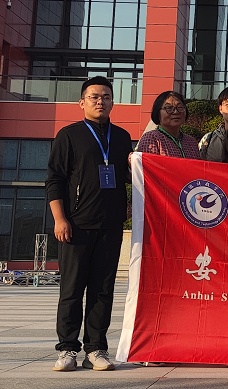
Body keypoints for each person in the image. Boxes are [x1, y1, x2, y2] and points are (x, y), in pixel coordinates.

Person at [47, 76, 132, 371]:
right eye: (94, 96)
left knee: (102, 290)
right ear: (82, 102)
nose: (100, 101)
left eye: (106, 96)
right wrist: (60, 219)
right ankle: (67, 349)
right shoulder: (68, 135)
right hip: (76, 225)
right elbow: (55, 179)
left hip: (110, 225)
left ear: (113, 102)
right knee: (71, 289)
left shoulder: (121, 137)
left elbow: (129, 176)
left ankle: (96, 349)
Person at [136, 91, 201, 159]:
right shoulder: (151, 138)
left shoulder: (191, 142)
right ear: (158, 113)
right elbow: (148, 164)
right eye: (169, 108)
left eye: (180, 107)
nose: (176, 112)